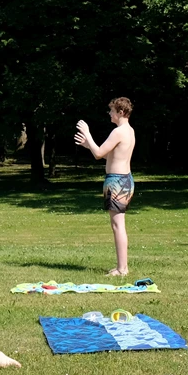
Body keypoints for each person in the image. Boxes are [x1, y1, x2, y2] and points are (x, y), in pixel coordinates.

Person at [75, 96, 137, 277]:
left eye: (112, 111)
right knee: (118, 225)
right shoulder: (129, 131)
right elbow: (105, 154)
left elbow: (99, 153)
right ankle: (121, 267)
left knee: (118, 225)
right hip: (124, 180)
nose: (110, 114)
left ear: (121, 112)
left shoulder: (118, 132)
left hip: (116, 181)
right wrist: (89, 146)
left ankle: (122, 269)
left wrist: (87, 133)